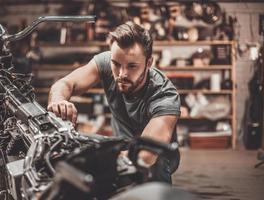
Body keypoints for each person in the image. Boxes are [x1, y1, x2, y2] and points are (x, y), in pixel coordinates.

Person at [47, 21, 181, 184]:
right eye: (116, 64)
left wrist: (89, 162)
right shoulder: (105, 62)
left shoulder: (165, 95)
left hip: (154, 160)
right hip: (120, 145)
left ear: (149, 63)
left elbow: (146, 155)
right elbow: (65, 84)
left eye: (132, 66)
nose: (122, 74)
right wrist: (58, 100)